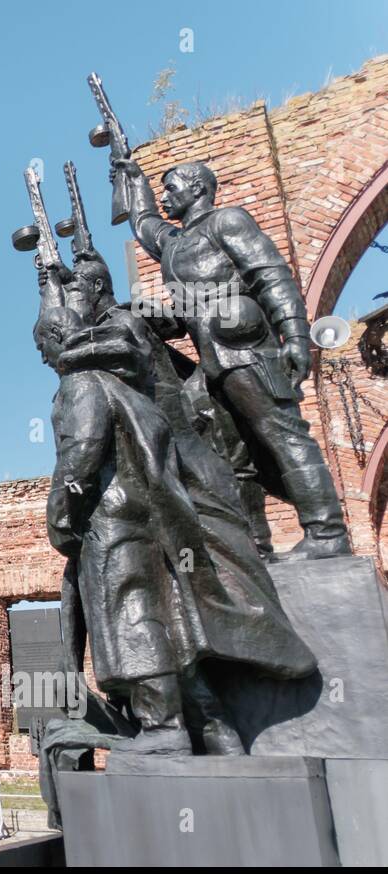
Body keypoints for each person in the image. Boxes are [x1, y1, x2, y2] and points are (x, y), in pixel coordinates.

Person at [35, 284, 316, 754]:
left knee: (130, 614)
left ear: (58, 338)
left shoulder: (82, 384)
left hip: (113, 520)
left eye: (43, 346)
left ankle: (163, 728)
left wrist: (61, 519)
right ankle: (213, 725)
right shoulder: (126, 384)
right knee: (172, 622)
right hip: (148, 515)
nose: (44, 358)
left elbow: (80, 457)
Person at [111, 157, 351, 561]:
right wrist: (134, 181)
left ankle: (327, 533)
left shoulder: (228, 222)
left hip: (247, 349)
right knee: (234, 460)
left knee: (284, 435)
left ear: (198, 189)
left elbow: (270, 275)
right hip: (213, 360)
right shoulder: (175, 245)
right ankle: (255, 549)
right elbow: (144, 223)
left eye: (172, 187)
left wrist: (294, 335)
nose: (166, 195)